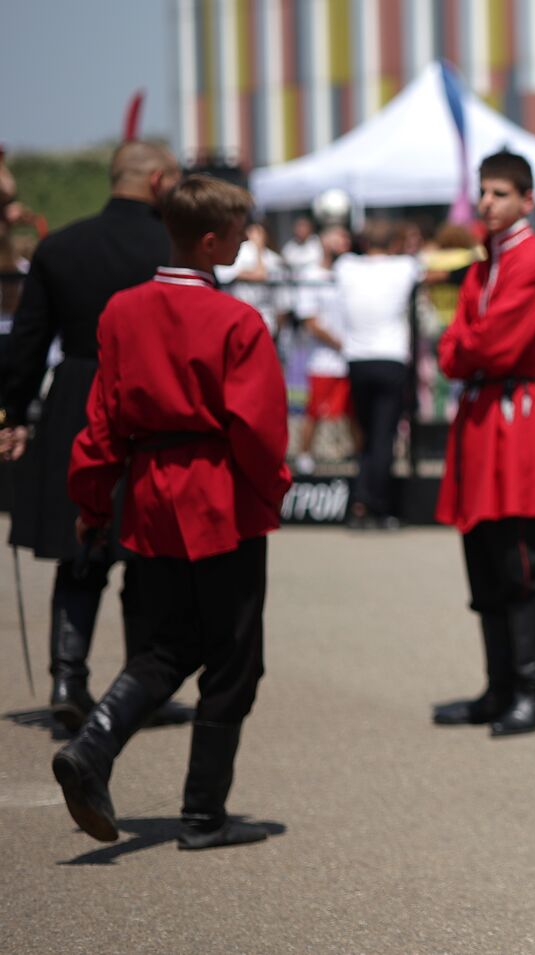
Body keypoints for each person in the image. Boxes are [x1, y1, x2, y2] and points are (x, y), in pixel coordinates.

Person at [53, 175, 290, 850]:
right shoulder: (238, 320)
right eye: (240, 229)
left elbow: (101, 422)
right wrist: (272, 489)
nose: (247, 238)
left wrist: (92, 501)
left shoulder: (121, 311)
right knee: (235, 657)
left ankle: (93, 746)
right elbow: (257, 428)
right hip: (221, 495)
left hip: (151, 493)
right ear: (210, 241)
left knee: (165, 645)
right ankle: (202, 815)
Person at [0, 141, 188, 732]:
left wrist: (13, 417)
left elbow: (27, 343)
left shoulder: (60, 246)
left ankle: (67, 677)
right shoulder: (171, 244)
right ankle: (139, 688)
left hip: (77, 396)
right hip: (152, 403)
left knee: (83, 548)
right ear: (158, 180)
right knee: (146, 555)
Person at [432, 151, 535, 737]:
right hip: (483, 413)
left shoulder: (533, 261)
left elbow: (488, 345)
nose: (488, 203)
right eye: (484, 192)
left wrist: (463, 346)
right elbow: (456, 346)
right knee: (481, 555)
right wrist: (464, 346)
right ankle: (500, 688)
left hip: (511, 412)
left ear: (526, 201)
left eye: (501, 194)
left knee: (515, 558)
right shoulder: (485, 263)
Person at [334, 218, 421, 528]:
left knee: (367, 436)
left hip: (357, 359)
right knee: (384, 437)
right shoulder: (405, 267)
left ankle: (361, 500)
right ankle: (376, 505)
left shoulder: (346, 266)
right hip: (390, 359)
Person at [293, 226, 353, 474]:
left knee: (352, 412)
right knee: (315, 411)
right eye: (335, 234)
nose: (341, 240)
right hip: (323, 360)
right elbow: (310, 320)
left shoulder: (349, 271)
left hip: (349, 358)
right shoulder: (310, 274)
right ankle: (304, 457)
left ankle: (356, 456)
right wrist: (338, 343)